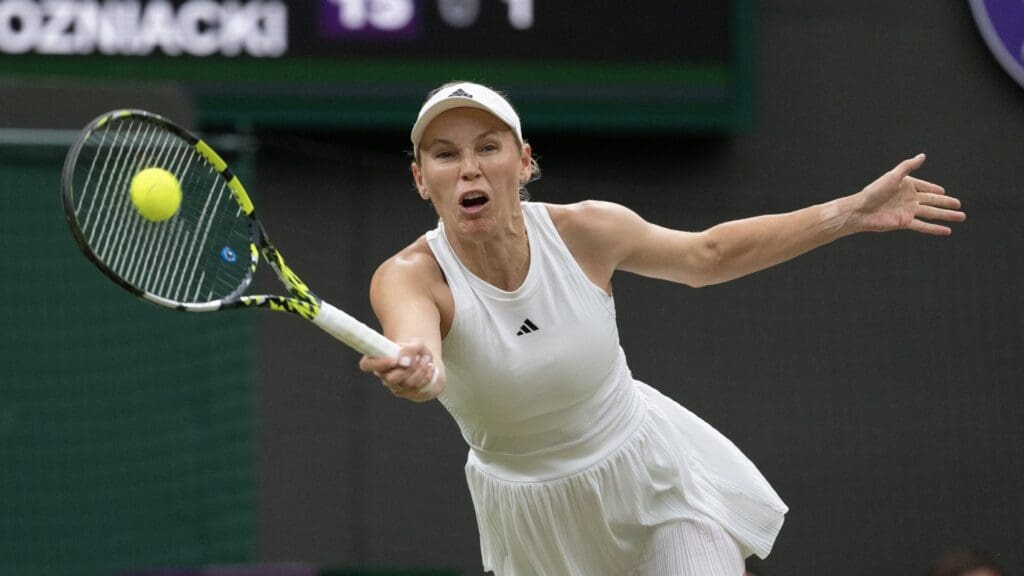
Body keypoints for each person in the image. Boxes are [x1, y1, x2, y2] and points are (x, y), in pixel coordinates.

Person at [358, 81, 965, 575]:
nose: (469, 169)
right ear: (421, 179)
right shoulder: (409, 276)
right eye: (445, 154)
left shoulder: (589, 230)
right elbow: (420, 355)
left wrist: (849, 213)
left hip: (655, 481)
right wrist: (416, 372)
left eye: (488, 147)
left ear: (523, 162)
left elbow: (709, 256)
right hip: (535, 522)